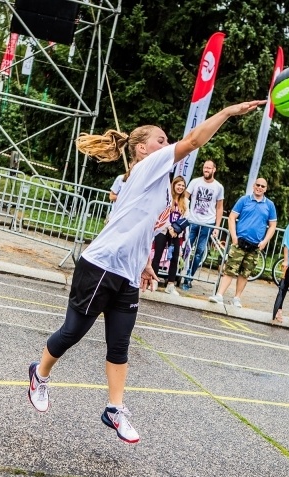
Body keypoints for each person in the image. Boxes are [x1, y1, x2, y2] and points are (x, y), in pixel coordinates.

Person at [26, 100, 266, 445]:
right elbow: (195, 141)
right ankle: (40, 373)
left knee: (120, 344)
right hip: (101, 265)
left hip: (127, 273)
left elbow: (138, 228)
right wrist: (227, 112)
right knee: (72, 333)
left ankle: (114, 409)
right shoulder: (150, 165)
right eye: (161, 139)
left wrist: (147, 265)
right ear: (142, 149)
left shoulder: (158, 183)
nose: (167, 145)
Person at [208, 178, 277, 308]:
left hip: (255, 245)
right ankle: (219, 295)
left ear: (266, 189)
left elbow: (273, 225)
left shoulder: (269, 205)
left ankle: (237, 298)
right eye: (258, 185)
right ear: (253, 185)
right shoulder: (244, 200)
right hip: (239, 242)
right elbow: (232, 217)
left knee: (245, 273)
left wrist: (264, 242)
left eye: (263, 186)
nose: (260, 188)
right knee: (230, 269)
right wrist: (234, 236)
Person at [181, 160, 224, 290]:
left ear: (214, 170)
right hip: (192, 221)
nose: (206, 170)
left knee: (199, 252)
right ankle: (177, 275)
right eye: (205, 167)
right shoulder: (195, 182)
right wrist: (184, 213)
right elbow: (184, 197)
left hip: (207, 224)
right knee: (185, 249)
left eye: (209, 168)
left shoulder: (218, 187)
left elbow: (219, 208)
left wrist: (217, 226)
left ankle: (189, 277)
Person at [151, 175, 188, 295]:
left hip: (176, 233)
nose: (180, 187)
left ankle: (171, 284)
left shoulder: (185, 201)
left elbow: (186, 217)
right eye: (179, 185)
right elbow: (162, 213)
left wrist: (177, 230)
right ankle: (154, 279)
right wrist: (169, 227)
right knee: (157, 254)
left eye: (183, 185)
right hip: (163, 229)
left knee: (175, 257)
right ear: (173, 185)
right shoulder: (167, 197)